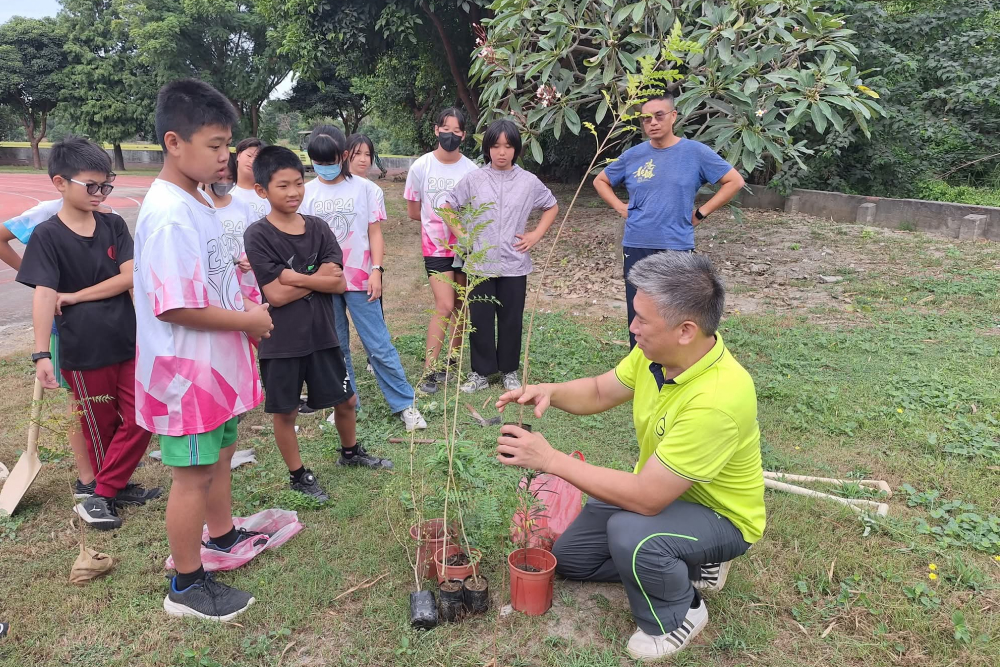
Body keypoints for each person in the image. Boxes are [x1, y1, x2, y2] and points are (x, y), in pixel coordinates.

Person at [495, 252, 765, 661]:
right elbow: (602, 390)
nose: (632, 326)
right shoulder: (658, 356)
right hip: (665, 491)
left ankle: (680, 614)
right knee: (571, 559)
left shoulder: (717, 400)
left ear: (686, 330)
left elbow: (645, 499)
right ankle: (690, 568)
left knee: (631, 534)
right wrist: (550, 390)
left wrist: (549, 459)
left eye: (642, 319)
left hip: (720, 517)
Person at [133, 79, 274, 621]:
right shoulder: (168, 213)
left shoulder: (197, 200)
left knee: (217, 458)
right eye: (214, 145)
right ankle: (187, 587)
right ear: (174, 142)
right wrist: (248, 319)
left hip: (214, 368)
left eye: (227, 145)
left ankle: (222, 535)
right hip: (185, 375)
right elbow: (173, 307)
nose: (225, 156)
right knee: (191, 474)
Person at [15, 137, 159, 529]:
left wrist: (76, 295)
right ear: (60, 183)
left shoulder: (112, 224)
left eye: (105, 185)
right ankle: (110, 489)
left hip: (126, 339)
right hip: (83, 347)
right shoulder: (48, 235)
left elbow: (129, 276)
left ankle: (104, 493)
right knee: (101, 426)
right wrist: (41, 353)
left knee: (143, 416)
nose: (100, 194)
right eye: (91, 186)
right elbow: (44, 294)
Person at [245, 145, 394, 502]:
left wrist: (293, 277)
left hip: (323, 334)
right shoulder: (258, 234)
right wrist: (314, 277)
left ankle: (351, 452)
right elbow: (275, 296)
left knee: (346, 400)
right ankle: (298, 475)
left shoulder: (319, 227)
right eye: (283, 186)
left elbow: (339, 282)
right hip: (281, 341)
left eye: (298, 183)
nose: (293, 192)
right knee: (286, 411)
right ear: (262, 190)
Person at [592, 92, 745, 348]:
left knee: (677, 309)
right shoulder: (633, 156)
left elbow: (734, 181)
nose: (652, 122)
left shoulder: (695, 153)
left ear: (673, 116)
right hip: (637, 243)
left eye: (659, 116)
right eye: (646, 118)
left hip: (676, 244)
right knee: (639, 310)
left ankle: (677, 365)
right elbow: (601, 180)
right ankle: (640, 366)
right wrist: (620, 206)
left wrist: (700, 213)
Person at [300, 126, 427, 431]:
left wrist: (377, 270)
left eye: (329, 160)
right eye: (317, 161)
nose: (324, 168)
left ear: (342, 156)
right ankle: (346, 402)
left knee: (378, 344)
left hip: (360, 279)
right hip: (323, 283)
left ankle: (405, 404)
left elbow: (374, 233)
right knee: (336, 346)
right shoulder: (306, 193)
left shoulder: (366, 189)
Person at [444, 119, 559, 394]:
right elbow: (448, 207)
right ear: (488, 149)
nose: (501, 152)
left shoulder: (529, 182)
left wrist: (535, 235)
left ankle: (509, 371)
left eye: (508, 146)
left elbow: (551, 206)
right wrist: (463, 236)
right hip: (480, 264)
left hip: (514, 264)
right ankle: (480, 372)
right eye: (495, 146)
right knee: (480, 319)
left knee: (511, 320)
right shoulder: (474, 179)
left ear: (516, 149)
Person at [3, 198, 100, 499]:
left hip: (106, 321)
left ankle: (108, 470)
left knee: (104, 399)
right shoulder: (46, 213)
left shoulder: (104, 212)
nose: (98, 190)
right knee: (78, 399)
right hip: (65, 322)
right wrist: (38, 278)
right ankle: (87, 479)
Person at [403, 108, 478, 394]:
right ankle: (430, 369)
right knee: (444, 305)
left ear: (464, 135)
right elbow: (414, 211)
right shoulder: (421, 167)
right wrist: (437, 225)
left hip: (464, 249)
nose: (450, 135)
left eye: (456, 131)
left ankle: (452, 361)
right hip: (434, 247)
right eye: (445, 129)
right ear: (436, 130)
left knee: (462, 306)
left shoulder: (472, 170)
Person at [202, 152, 261, 306]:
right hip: (214, 286)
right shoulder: (198, 208)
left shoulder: (243, 206)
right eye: (220, 178)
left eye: (229, 179)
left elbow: (257, 242)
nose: (224, 183)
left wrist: (251, 259)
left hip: (246, 285)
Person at [229, 137, 271, 221]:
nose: (252, 161)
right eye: (249, 155)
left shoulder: (268, 194)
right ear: (239, 155)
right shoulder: (225, 190)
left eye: (257, 159)